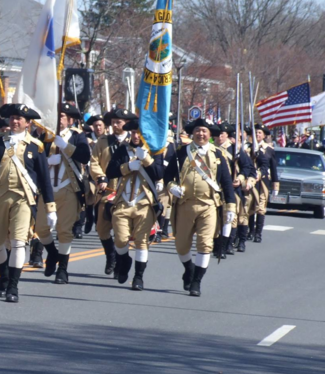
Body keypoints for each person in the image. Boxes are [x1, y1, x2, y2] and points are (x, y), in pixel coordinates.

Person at [0, 104, 55, 303]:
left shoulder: (35, 146)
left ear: (28, 124)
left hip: (23, 198)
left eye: (19, 118)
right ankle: (4, 277)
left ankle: (13, 286)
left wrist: (51, 208)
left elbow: (44, 179)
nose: (14, 121)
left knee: (19, 242)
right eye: (12, 118)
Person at [165, 118, 236, 297]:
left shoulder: (218, 154)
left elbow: (226, 182)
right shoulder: (182, 152)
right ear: (193, 133)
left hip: (209, 205)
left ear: (210, 134)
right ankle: (189, 269)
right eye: (197, 130)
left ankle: (196, 281)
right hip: (185, 205)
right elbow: (168, 177)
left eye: (204, 131)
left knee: (205, 244)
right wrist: (171, 187)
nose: (201, 134)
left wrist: (231, 207)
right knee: (181, 246)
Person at [105, 120, 164, 290]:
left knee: (141, 241)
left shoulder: (154, 151)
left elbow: (159, 173)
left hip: (144, 202)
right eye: (133, 133)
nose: (136, 136)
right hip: (123, 201)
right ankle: (124, 261)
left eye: (139, 133)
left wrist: (146, 159)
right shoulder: (123, 149)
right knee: (121, 239)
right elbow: (110, 171)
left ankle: (139, 277)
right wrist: (127, 166)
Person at [40, 103, 91, 284]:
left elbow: (85, 156)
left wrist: (65, 147)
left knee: (64, 231)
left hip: (69, 188)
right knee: (40, 228)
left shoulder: (77, 136)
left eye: (61, 116)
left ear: (69, 120)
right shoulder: (44, 136)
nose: (58, 119)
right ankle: (52, 254)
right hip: (46, 191)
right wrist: (47, 160)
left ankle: (62, 269)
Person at [89, 108, 137, 278]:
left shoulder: (134, 142)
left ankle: (120, 260)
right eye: (113, 122)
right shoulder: (103, 142)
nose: (115, 125)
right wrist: (100, 177)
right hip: (106, 191)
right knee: (102, 229)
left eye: (119, 122)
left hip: (126, 193)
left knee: (120, 231)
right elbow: (94, 162)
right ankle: (110, 255)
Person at [212, 123, 256, 257]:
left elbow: (247, 167)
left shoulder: (234, 150)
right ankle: (216, 245)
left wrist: (241, 178)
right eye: (217, 135)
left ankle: (225, 246)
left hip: (229, 188)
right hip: (212, 188)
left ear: (226, 135)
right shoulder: (210, 149)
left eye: (222, 134)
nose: (219, 137)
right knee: (214, 219)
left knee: (229, 218)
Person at [248, 123, 278, 243]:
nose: (257, 134)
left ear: (264, 135)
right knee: (250, 206)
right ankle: (250, 231)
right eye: (255, 133)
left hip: (263, 182)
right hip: (250, 181)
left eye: (259, 133)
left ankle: (258, 233)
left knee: (261, 208)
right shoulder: (247, 148)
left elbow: (273, 167)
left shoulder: (269, 150)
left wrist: (275, 184)